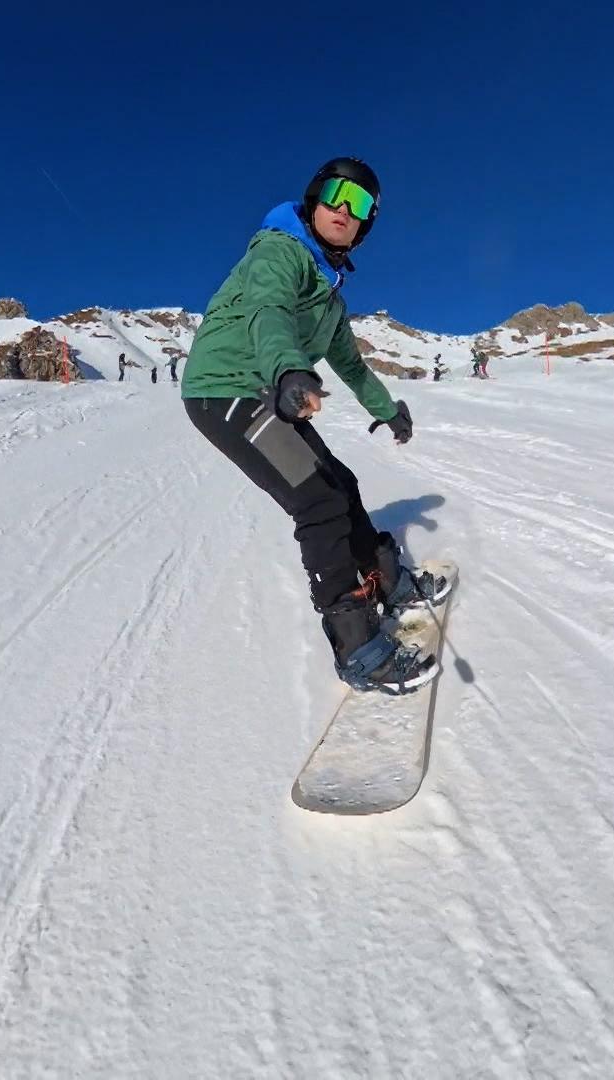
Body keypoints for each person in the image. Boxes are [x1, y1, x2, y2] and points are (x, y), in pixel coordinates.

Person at [181, 157, 453, 694]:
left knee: (339, 483)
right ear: (313, 198)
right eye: (336, 194)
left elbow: (350, 365)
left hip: (265, 387)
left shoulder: (330, 298)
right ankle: (357, 649)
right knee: (316, 501)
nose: (344, 211)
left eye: (361, 206)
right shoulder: (279, 252)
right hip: (223, 389)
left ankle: (388, 580)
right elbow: (268, 311)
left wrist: (386, 410)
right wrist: (288, 367)